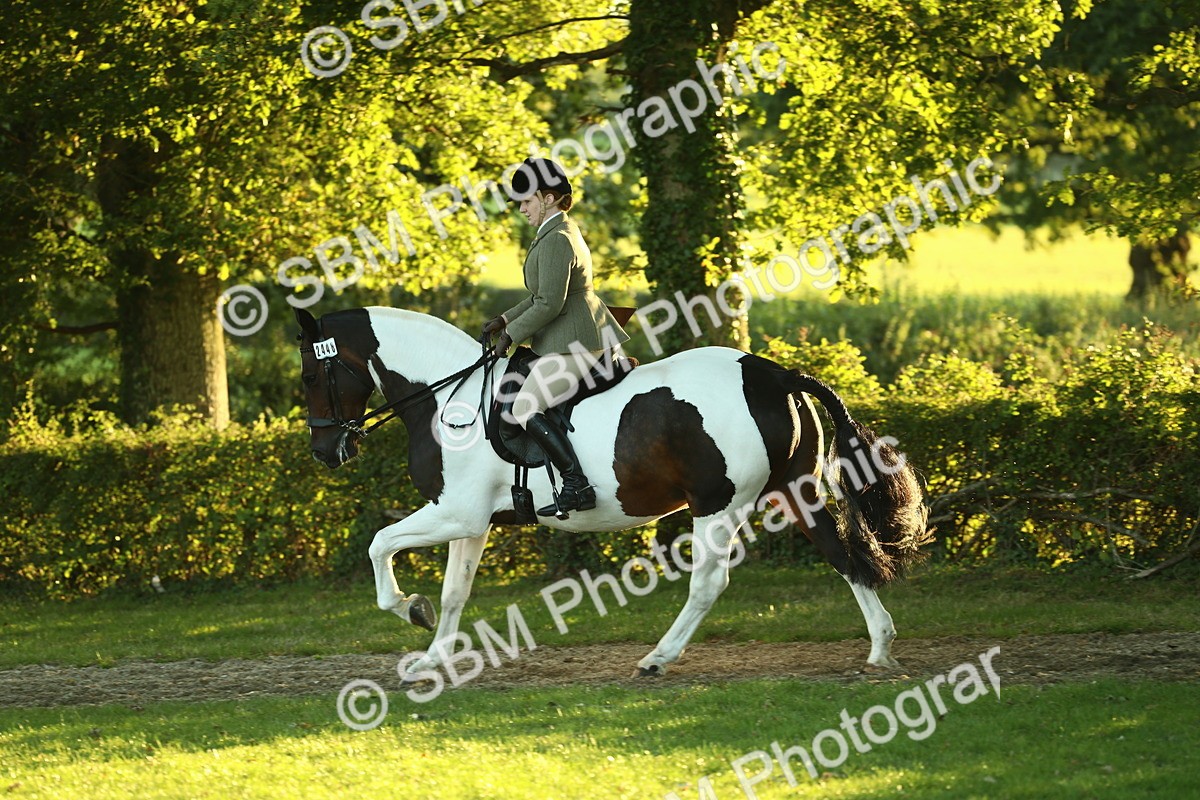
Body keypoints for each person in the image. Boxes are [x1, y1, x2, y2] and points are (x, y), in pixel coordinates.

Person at [482, 157, 630, 516]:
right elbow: (539, 296)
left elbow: (549, 304)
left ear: (548, 198)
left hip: (575, 342)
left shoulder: (556, 238)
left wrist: (511, 336)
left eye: (527, 201)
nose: (522, 208)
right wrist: (504, 319)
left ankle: (576, 484)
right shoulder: (557, 231)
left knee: (524, 407)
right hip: (574, 334)